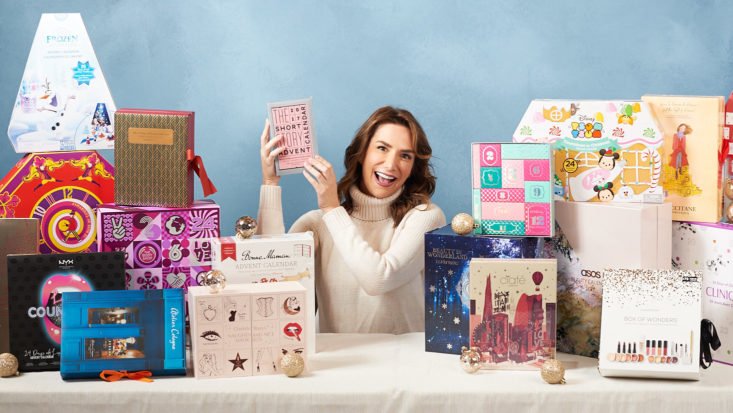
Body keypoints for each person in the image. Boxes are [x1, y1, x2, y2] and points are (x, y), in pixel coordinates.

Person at [257, 106, 446, 334]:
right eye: (382, 148)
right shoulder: (319, 223)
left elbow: (378, 279)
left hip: (405, 362)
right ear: (362, 153)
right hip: (337, 363)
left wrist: (330, 207)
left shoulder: (426, 217)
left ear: (413, 166)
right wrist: (270, 183)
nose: (391, 164)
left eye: (405, 155)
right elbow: (270, 272)